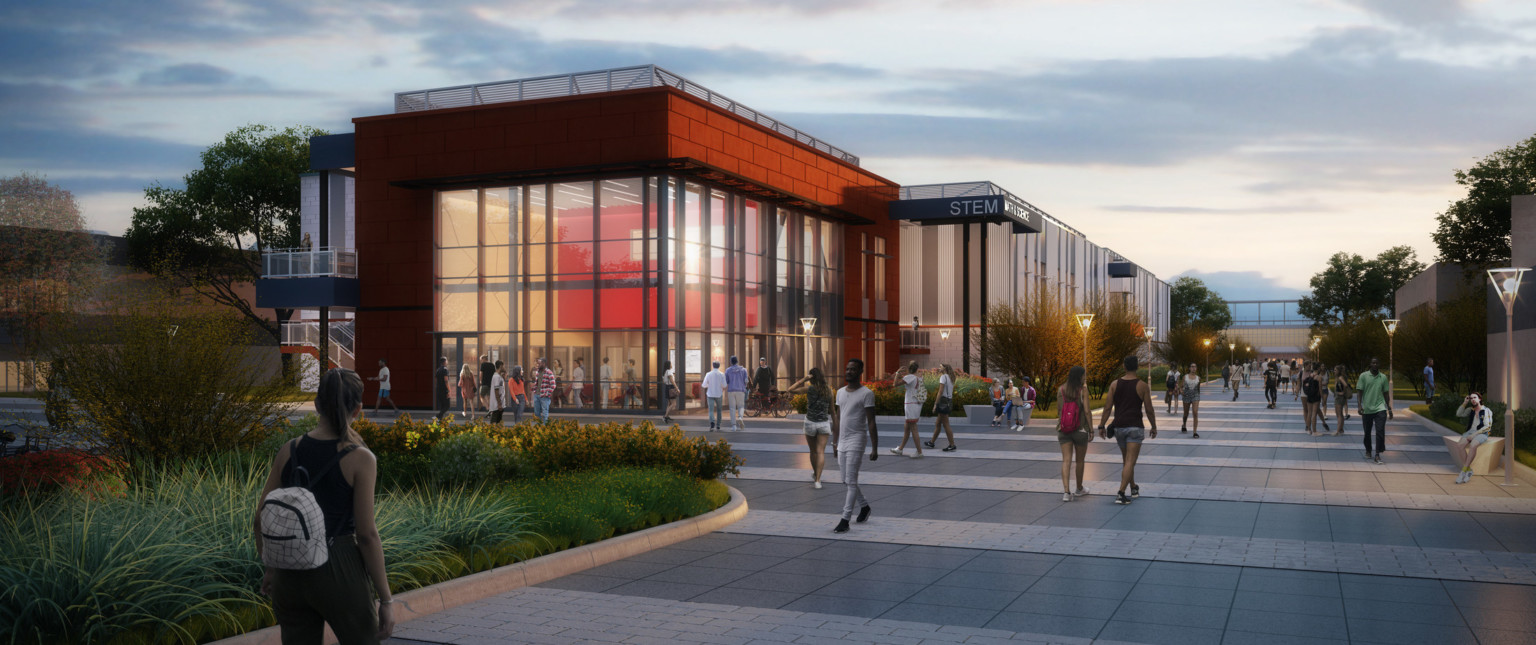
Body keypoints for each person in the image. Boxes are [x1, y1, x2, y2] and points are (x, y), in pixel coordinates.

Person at [255, 369, 394, 643]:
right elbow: (367, 535)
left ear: (317, 405)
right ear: (358, 409)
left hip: (289, 572)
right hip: (339, 567)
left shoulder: (290, 449)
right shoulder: (360, 459)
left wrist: (272, 568)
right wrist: (386, 599)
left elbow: (260, 519)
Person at [1098, 355, 1157, 505]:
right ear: (1137, 367)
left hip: (1119, 428)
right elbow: (1149, 409)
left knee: (1127, 461)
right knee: (1130, 461)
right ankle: (1121, 493)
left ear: (1124, 367)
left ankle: (1133, 487)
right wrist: (1154, 426)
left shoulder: (1114, 384)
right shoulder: (1143, 385)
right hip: (1135, 427)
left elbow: (1107, 407)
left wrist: (1101, 425)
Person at [832, 358, 879, 533]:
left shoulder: (867, 393)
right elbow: (837, 418)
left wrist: (874, 447)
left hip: (857, 440)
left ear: (860, 372)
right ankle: (864, 506)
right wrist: (834, 442)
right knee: (845, 480)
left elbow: (871, 421)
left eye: (853, 369)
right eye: (847, 368)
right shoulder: (840, 392)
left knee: (851, 481)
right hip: (842, 441)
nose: (849, 371)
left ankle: (845, 519)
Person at [788, 367, 834, 488]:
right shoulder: (828, 390)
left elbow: (790, 389)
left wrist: (804, 379)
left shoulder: (809, 389)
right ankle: (818, 479)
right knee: (820, 452)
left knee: (813, 451)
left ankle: (815, 474)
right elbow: (833, 411)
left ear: (811, 377)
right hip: (824, 423)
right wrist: (835, 426)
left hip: (810, 423)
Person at [1057, 365, 1093, 502]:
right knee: (1079, 461)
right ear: (1079, 376)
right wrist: (1091, 429)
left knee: (1066, 460)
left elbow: (1059, 410)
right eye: (1084, 375)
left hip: (1063, 429)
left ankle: (1066, 492)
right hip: (1080, 430)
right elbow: (1088, 411)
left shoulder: (1060, 389)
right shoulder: (1083, 390)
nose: (1085, 377)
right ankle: (1079, 489)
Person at [1356, 357, 1393, 464]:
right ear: (1370, 364)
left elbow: (1386, 394)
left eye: (1377, 363)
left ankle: (1377, 454)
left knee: (1380, 431)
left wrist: (1389, 409)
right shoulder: (1364, 376)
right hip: (1367, 409)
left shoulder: (1383, 377)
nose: (1375, 364)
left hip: (1380, 408)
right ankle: (1368, 449)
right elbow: (1359, 392)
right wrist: (1359, 406)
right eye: (1373, 363)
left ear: (1379, 365)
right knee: (1367, 433)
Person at [1453, 393, 1494, 484]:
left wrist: (1474, 435)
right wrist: (1465, 402)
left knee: (1473, 445)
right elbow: (1458, 414)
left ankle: (1463, 472)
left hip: (1482, 433)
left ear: (1480, 399)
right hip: (1470, 432)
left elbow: (1488, 427)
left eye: (1475, 397)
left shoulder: (1486, 410)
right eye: (1471, 398)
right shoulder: (1470, 410)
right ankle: (1469, 470)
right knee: (1460, 446)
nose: (1473, 400)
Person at [889, 361, 925, 458]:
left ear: (910, 369)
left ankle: (919, 452)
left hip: (910, 404)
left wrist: (897, 373)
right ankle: (900, 449)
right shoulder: (919, 377)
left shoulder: (910, 377)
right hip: (916, 404)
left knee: (913, 428)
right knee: (907, 428)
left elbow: (895, 384)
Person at [923, 363, 958, 452]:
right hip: (949, 401)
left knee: (946, 424)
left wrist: (935, 404)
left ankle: (952, 445)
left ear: (945, 368)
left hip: (943, 402)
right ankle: (931, 442)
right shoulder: (951, 377)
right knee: (938, 423)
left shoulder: (943, 377)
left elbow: (940, 391)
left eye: (940, 367)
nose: (939, 368)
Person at [1177, 362, 1202, 438]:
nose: (1193, 368)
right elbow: (1181, 387)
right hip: (1186, 396)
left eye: (1195, 367)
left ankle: (1195, 432)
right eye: (1192, 366)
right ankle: (1184, 424)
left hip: (1195, 396)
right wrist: (1181, 391)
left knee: (1195, 412)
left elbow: (1198, 389)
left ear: (1196, 368)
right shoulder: (1185, 377)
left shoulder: (1198, 378)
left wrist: (1198, 397)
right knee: (1186, 413)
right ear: (1189, 368)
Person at [725, 356, 749, 431]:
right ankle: (740, 418)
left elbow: (726, 381)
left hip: (731, 390)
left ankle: (734, 426)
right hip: (741, 390)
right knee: (741, 406)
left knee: (732, 408)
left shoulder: (728, 370)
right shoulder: (743, 370)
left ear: (731, 362)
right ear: (737, 361)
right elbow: (746, 381)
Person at [702, 361, 726, 430]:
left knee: (711, 410)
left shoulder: (708, 374)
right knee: (719, 410)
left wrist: (708, 385)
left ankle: (712, 423)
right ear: (719, 366)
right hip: (719, 394)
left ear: (713, 366)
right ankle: (718, 425)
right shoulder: (722, 374)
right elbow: (724, 385)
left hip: (710, 394)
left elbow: (704, 385)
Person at [532, 357, 556, 422]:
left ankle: (545, 428)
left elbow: (553, 385)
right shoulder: (538, 372)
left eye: (539, 363)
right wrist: (534, 388)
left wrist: (547, 393)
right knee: (536, 413)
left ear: (543, 363)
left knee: (545, 413)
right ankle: (538, 428)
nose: (538, 365)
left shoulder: (549, 372)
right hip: (536, 395)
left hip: (544, 396)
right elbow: (537, 382)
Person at [1301, 364, 1322, 436]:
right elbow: (1320, 389)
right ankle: (1314, 431)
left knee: (1309, 413)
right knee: (1314, 413)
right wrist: (1321, 397)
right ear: (1318, 368)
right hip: (1316, 396)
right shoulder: (1318, 377)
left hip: (1309, 396)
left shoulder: (1310, 375)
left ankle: (1309, 429)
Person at [1332, 365, 1352, 433]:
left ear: (1338, 371)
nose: (1334, 371)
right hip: (1339, 397)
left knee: (1339, 414)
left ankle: (1338, 430)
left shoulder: (1340, 378)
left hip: (1339, 398)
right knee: (1340, 414)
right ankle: (1341, 429)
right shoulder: (1339, 377)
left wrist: (1342, 392)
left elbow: (1345, 385)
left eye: (1335, 370)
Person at [487, 361, 507, 425]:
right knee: (494, 421)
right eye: (503, 366)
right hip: (496, 405)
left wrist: (505, 374)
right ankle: (492, 433)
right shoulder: (496, 377)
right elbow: (496, 390)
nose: (504, 367)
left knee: (499, 421)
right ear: (500, 366)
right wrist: (499, 404)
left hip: (500, 403)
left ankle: (497, 433)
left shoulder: (499, 376)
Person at [434, 357, 451, 421]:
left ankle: (439, 420)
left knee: (442, 406)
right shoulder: (445, 370)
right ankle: (437, 416)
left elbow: (435, 380)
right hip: (444, 390)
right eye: (446, 361)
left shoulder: (438, 370)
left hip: (439, 389)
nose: (447, 362)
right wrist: (449, 390)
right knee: (447, 406)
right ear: (444, 362)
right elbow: (446, 381)